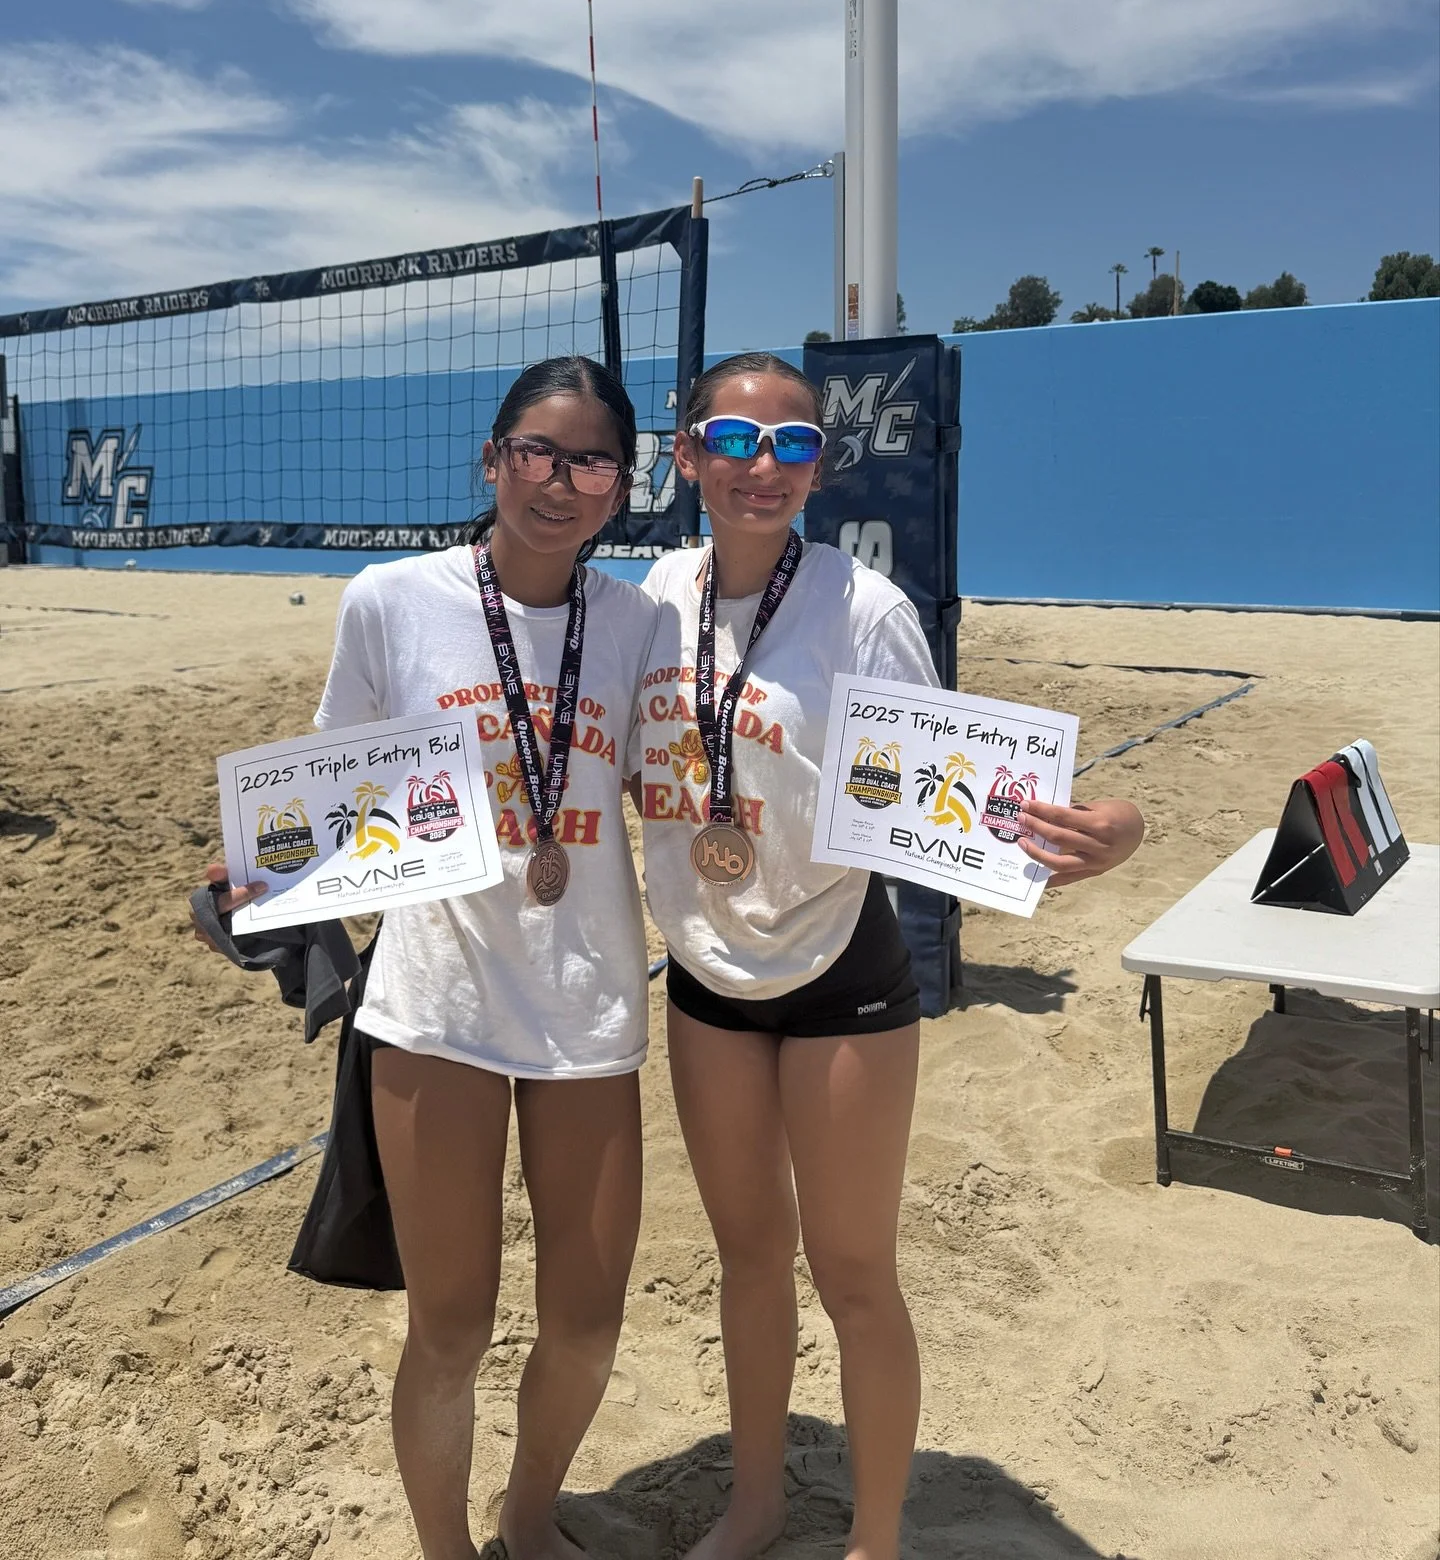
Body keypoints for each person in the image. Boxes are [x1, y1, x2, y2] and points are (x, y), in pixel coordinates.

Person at [628, 351, 1144, 1560]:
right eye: (737, 443)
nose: (765, 468)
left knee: (854, 1271)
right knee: (749, 1260)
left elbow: (950, 791)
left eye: (795, 446)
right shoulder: (648, 601)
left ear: (821, 465)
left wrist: (1112, 825)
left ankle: (873, 1539)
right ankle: (756, 1504)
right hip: (706, 975)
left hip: (840, 974)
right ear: (690, 454)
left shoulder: (865, 609)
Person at [195, 356, 658, 1560]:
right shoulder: (392, 601)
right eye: (535, 451)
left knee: (590, 1321)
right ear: (493, 457)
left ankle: (526, 1519)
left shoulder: (643, 622)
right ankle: (446, 1549)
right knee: (449, 1327)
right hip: (434, 1003)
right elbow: (331, 776)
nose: (558, 480)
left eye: (589, 458)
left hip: (589, 1002)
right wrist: (261, 863)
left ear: (621, 484)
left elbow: (718, 770)